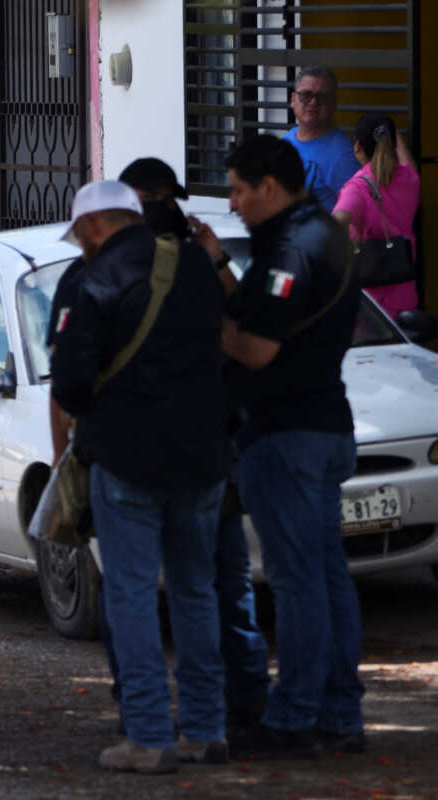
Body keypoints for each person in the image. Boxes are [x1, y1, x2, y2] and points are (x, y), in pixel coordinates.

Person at [51, 180, 229, 774]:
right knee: (196, 592)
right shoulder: (196, 268)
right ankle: (205, 730)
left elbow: (70, 381)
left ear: (95, 226)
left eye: (79, 233)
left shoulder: (94, 280)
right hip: (203, 455)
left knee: (129, 594)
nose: (80, 245)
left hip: (126, 457)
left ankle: (149, 736)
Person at [223, 134, 365, 759]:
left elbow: (257, 347)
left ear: (269, 188)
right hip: (326, 424)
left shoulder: (290, 249)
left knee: (300, 580)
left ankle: (294, 718)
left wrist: (203, 312)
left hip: (287, 434)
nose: (231, 205)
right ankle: (338, 716)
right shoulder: (326, 234)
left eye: (237, 190)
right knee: (328, 578)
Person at [117, 157, 272, 731]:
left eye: (165, 197)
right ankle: (206, 713)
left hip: (193, 450)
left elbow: (244, 323)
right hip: (196, 449)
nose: (165, 208)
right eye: (156, 197)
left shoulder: (159, 267)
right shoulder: (137, 268)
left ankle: (221, 706)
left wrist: (217, 261)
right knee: (198, 586)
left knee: (199, 585)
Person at [333, 112, 420, 318]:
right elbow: (406, 158)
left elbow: (337, 222)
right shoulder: (410, 178)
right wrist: (390, 133)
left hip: (370, 307)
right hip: (406, 300)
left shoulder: (357, 188)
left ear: (357, 147)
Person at [283, 65, 361, 212]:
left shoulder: (343, 156)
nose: (313, 102)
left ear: (334, 103)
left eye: (322, 97)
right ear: (293, 100)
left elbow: (356, 217)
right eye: (306, 95)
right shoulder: (286, 140)